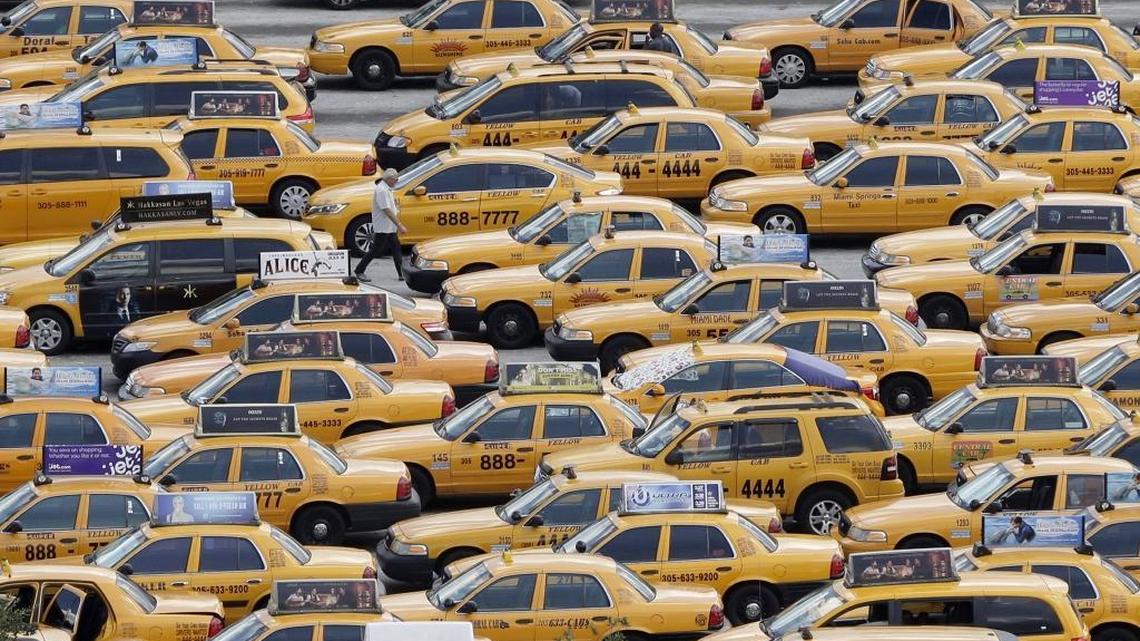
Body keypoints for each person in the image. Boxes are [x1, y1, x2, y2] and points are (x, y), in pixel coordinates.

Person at [354, 168, 405, 282]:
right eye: (395, 180)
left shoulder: (387, 188)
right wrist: (399, 224)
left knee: (396, 248)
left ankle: (401, 273)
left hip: (389, 226)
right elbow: (386, 210)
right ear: (389, 179)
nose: (396, 181)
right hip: (383, 227)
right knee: (376, 250)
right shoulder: (382, 190)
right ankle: (359, 270)